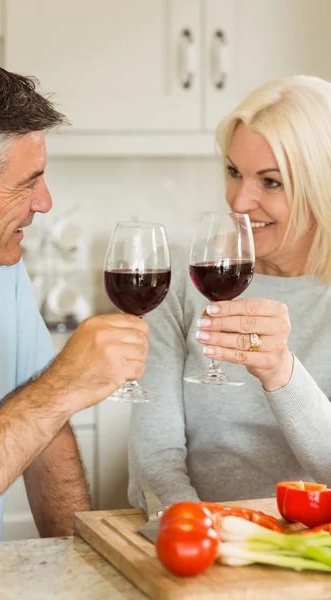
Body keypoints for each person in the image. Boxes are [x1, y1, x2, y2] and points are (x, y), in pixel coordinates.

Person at [0, 57, 149, 547]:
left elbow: (48, 436)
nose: (45, 201)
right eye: (27, 182)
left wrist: (84, 561)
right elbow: (48, 400)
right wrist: (62, 387)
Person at [128, 75, 331, 508]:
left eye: (270, 182)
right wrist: (192, 528)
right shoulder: (183, 277)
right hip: (195, 541)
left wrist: (280, 372)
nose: (239, 201)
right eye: (235, 173)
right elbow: (155, 455)